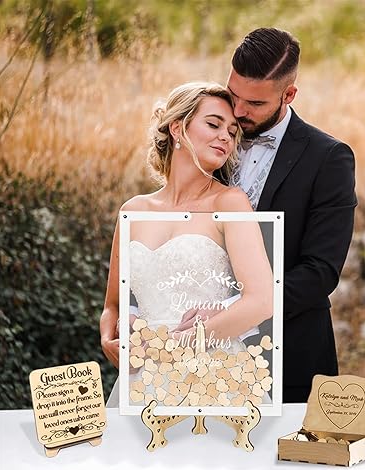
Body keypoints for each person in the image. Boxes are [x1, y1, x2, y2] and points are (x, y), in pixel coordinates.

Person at [100, 82, 273, 406]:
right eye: (214, 124)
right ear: (177, 128)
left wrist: (183, 343)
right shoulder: (133, 210)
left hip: (215, 373)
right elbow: (113, 305)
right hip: (144, 375)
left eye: (232, 131)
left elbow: (261, 302)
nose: (226, 137)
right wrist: (110, 338)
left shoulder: (229, 202)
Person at [225, 28, 357, 403]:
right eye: (233, 95)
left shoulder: (329, 158)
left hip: (290, 354)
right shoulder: (208, 134)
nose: (238, 111)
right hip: (199, 358)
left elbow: (320, 271)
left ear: (289, 95)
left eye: (255, 103)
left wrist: (235, 313)